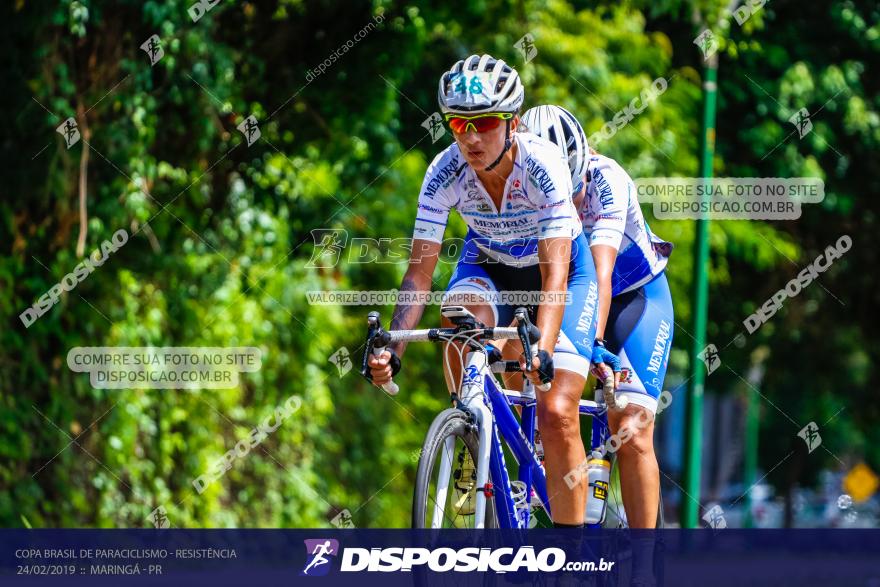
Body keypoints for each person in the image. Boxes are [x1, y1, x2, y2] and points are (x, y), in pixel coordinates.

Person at [367, 54, 615, 527]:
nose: (470, 137)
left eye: (483, 123)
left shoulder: (543, 167)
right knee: (456, 315)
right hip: (490, 267)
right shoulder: (444, 172)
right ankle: (473, 431)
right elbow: (419, 275)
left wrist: (542, 350)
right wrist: (392, 348)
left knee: (558, 410)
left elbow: (555, 276)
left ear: (513, 123)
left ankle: (572, 554)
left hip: (560, 274)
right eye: (459, 123)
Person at [521, 105, 675, 528]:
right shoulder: (523, 183)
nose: (567, 203)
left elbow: (602, 276)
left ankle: (644, 566)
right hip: (568, 293)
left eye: (573, 191)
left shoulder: (609, 181)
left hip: (635, 299)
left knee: (629, 424)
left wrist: (597, 344)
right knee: (539, 392)